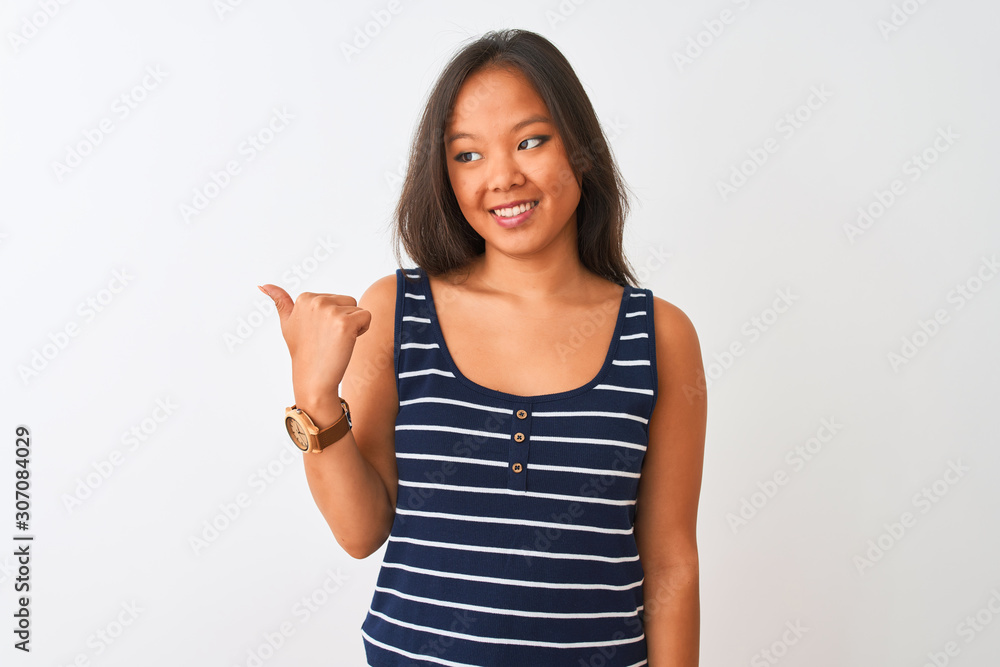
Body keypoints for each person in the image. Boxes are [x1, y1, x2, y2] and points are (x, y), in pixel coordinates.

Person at [259, 28, 706, 667]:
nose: (502, 177)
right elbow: (360, 534)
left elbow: (670, 561)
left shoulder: (658, 336)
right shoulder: (397, 312)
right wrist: (314, 394)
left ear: (580, 151)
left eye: (530, 141)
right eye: (467, 154)